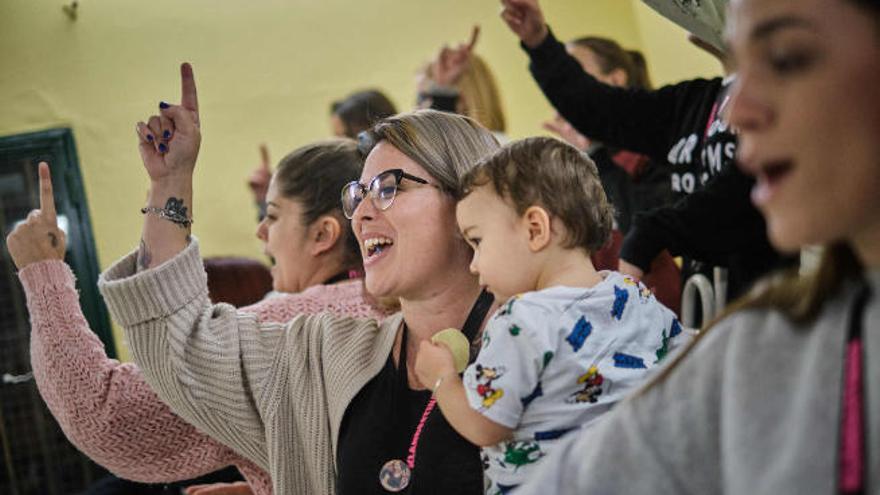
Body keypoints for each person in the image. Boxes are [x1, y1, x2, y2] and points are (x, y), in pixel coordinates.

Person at [513, 0, 880, 492]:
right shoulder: (755, 346)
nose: (740, 109)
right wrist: (539, 43)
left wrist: (657, 231)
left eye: (787, 57)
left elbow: (728, 199)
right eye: (739, 64)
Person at [95, 63, 503, 494]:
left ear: (466, 200)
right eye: (357, 195)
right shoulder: (326, 355)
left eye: (387, 188)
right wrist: (170, 184)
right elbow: (183, 348)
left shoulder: (544, 340)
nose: (362, 214)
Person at [6, 139, 390, 495]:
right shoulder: (396, 306)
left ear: (323, 234)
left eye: (272, 216)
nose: (260, 232)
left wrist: (42, 274)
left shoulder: (284, 326)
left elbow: (107, 415)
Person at [413, 137, 687, 493]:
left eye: (477, 241)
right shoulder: (629, 292)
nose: (475, 265)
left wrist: (442, 378)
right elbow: (684, 362)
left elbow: (485, 425)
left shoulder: (521, 320)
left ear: (535, 229)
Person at [500, 0, 789, 303]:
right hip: (716, 310)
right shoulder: (691, 103)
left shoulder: (776, 98)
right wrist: (539, 41)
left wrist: (661, 229)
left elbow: (744, 185)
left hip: (778, 300)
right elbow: (598, 110)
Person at [247, 90, 397, 217]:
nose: (339, 146)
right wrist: (266, 198)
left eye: (345, 137)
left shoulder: (396, 183)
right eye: (336, 137)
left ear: (373, 132)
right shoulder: (349, 186)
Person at [417, 26, 508, 140]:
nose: (420, 110)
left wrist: (443, 93)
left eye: (427, 99)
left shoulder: (494, 148)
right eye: (421, 99)